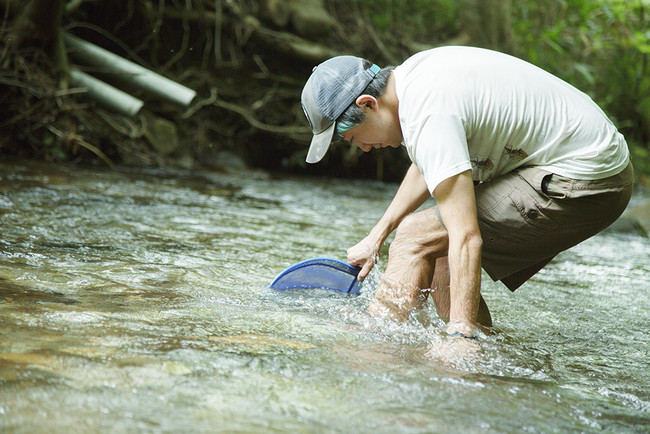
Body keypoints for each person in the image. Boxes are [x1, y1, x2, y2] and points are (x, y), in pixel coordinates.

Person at [300, 47, 634, 340]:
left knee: (416, 235)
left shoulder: (428, 111)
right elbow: (429, 164)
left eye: (353, 136)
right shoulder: (414, 80)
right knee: (438, 246)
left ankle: (378, 349)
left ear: (368, 103)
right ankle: (482, 368)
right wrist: (376, 236)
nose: (363, 148)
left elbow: (466, 236)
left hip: (585, 177)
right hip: (594, 164)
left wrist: (460, 334)